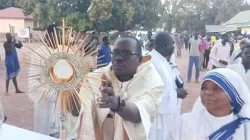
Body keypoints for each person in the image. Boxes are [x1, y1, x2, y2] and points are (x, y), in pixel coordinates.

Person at [69, 36, 164, 140]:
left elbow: (140, 114)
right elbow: (76, 112)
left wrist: (117, 105)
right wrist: (71, 86)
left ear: (139, 59)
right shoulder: (96, 78)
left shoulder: (150, 81)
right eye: (115, 53)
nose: (118, 58)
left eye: (126, 54)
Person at [168, 68, 250, 139]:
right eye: (204, 88)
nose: (208, 92)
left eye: (217, 89)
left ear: (233, 95)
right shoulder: (184, 123)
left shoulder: (245, 128)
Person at [148, 32, 186, 140]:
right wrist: (176, 93)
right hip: (157, 119)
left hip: (166, 115)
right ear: (165, 45)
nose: (174, 47)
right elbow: (151, 93)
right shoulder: (151, 62)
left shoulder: (162, 60)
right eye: (172, 44)